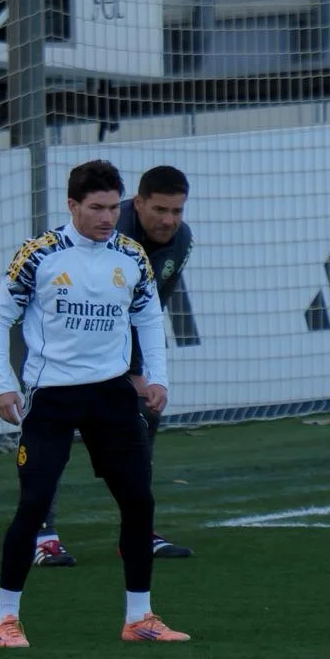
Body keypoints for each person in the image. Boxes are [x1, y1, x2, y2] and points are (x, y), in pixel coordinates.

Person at [0, 160, 187, 648]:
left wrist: (157, 378)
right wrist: (2, 384)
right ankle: (5, 620)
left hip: (112, 395)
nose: (106, 217)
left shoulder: (131, 255)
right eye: (96, 207)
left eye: (113, 207)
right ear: (72, 205)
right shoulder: (40, 254)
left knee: (138, 501)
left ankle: (139, 617)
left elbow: (147, 317)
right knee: (33, 504)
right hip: (52, 396)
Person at [34, 164, 196, 566]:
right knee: (51, 438)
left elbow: (149, 310)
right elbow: (86, 306)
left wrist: (144, 372)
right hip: (58, 342)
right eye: (160, 210)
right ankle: (42, 536)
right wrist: (130, 371)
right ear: (137, 203)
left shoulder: (182, 240)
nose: (169, 221)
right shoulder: (111, 235)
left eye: (177, 211)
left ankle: (137, 531)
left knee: (143, 417)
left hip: (112, 346)